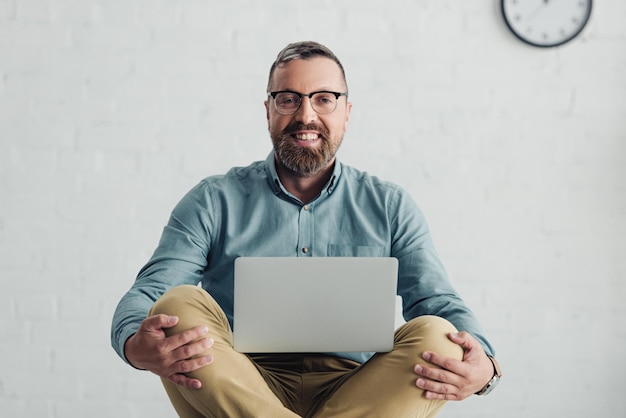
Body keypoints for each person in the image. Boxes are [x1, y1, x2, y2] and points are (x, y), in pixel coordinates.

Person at [111, 41, 501, 418]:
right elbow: (149, 293)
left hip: (359, 389)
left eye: (324, 98)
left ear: (347, 112)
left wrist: (487, 368)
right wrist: (133, 345)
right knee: (176, 306)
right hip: (239, 383)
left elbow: (439, 300)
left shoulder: (389, 205)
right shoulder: (214, 199)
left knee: (438, 336)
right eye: (288, 98)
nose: (306, 115)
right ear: (268, 110)